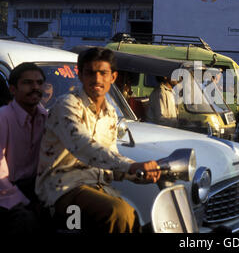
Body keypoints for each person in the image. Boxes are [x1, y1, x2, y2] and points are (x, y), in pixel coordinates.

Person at [35, 47, 161, 233]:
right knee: (118, 213)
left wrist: (145, 174)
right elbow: (83, 146)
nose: (97, 79)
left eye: (103, 73)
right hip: (62, 189)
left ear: (113, 77)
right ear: (81, 75)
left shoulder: (110, 112)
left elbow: (111, 161)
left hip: (97, 187)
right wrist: (131, 166)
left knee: (143, 219)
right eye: (90, 73)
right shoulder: (67, 105)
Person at [0, 63, 45, 233]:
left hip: (37, 187)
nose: (35, 88)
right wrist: (25, 202)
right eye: (28, 83)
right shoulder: (2, 118)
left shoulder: (46, 118)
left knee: (74, 213)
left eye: (39, 83)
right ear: (12, 89)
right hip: (6, 191)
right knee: (25, 221)